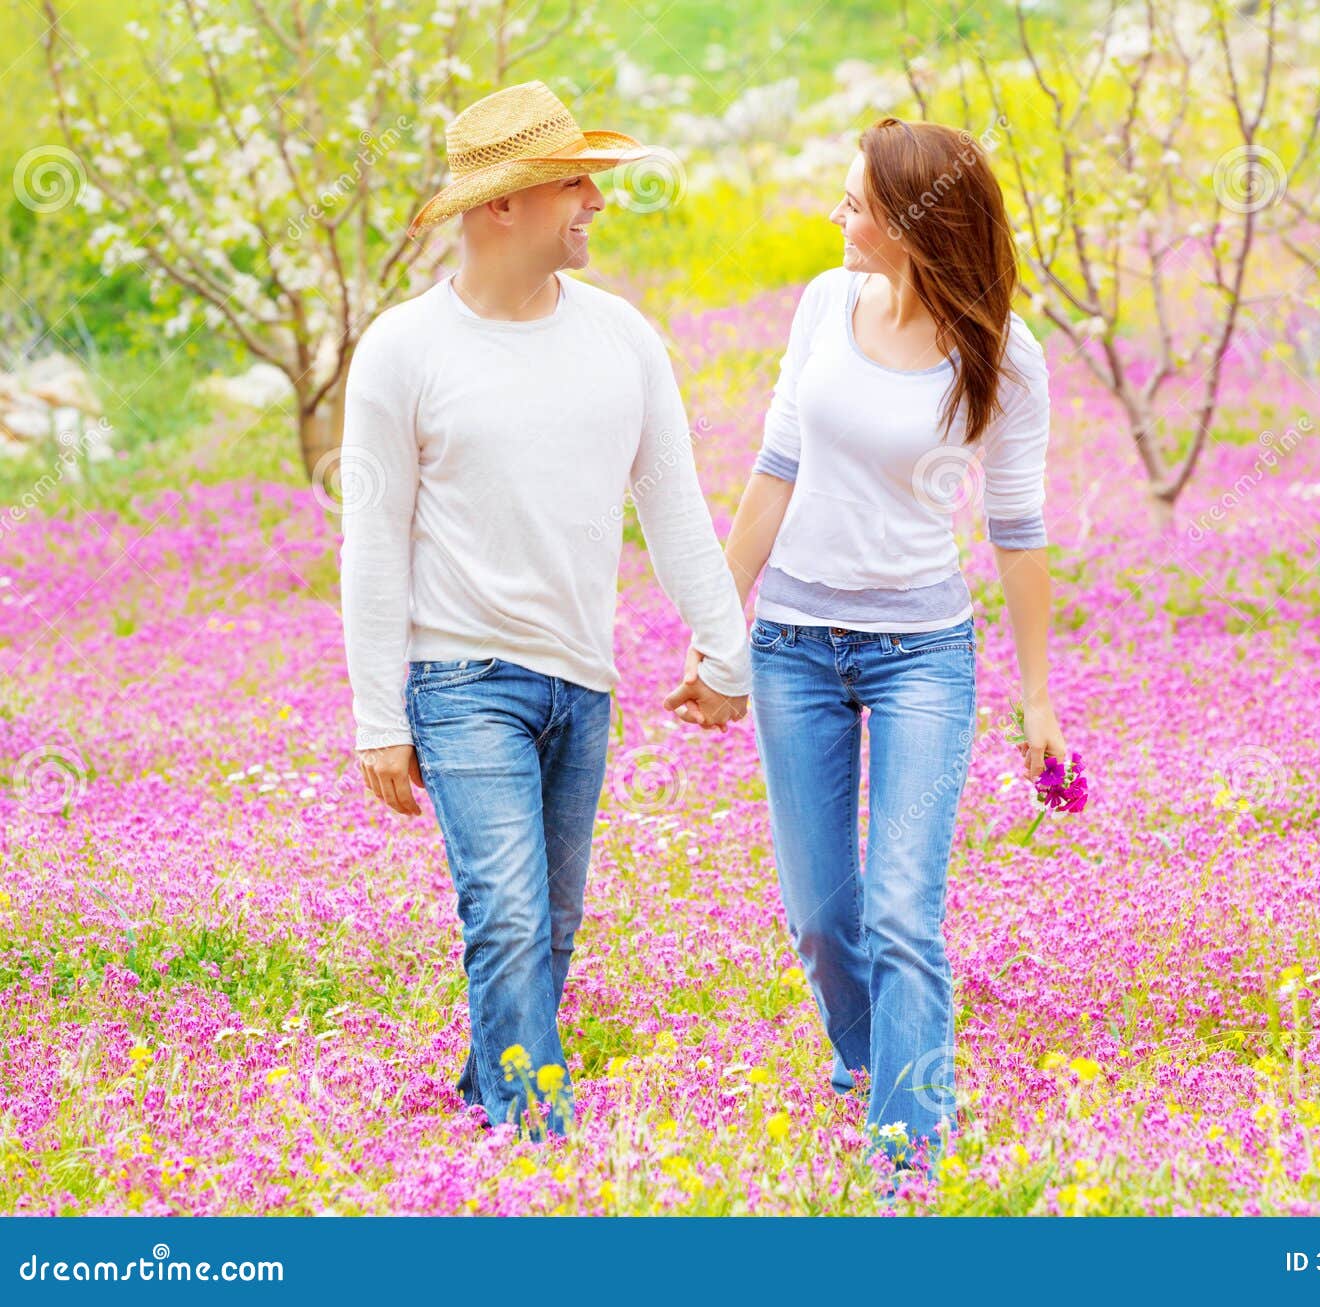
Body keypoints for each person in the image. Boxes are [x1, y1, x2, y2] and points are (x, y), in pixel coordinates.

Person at [339, 81, 749, 1138]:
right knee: (509, 913)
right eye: (574, 183)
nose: (594, 202)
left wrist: (726, 649)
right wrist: (378, 716)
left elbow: (672, 502)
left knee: (551, 923)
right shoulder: (402, 349)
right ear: (501, 206)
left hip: (583, 682)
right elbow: (374, 536)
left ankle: (484, 1098)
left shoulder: (622, 338)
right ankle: (535, 1141)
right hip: (463, 679)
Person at [682, 117, 1067, 1178]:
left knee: (902, 907)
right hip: (794, 645)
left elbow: (1018, 529)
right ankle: (865, 1062)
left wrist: (1039, 699)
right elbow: (774, 469)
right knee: (819, 916)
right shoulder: (821, 304)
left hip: (922, 656)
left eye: (854, 204)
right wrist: (720, 636)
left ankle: (909, 1143)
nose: (837, 217)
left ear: (914, 224)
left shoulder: (1003, 355)